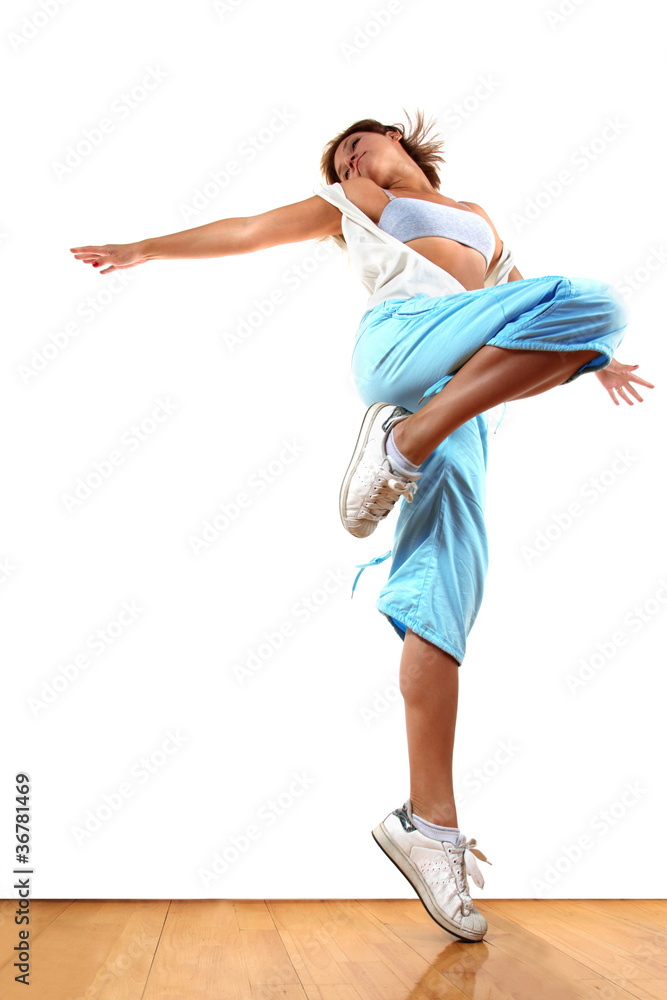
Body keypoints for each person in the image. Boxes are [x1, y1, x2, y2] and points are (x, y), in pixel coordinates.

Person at [69, 109, 653, 943]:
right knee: (595, 302)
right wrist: (142, 248)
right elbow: (248, 229)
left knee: (443, 594)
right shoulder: (356, 203)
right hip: (403, 346)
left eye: (359, 145)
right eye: (340, 158)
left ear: (401, 142)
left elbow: (526, 314)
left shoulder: (477, 218)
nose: (349, 161)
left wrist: (596, 362)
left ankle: (429, 825)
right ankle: (400, 442)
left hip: (461, 404)